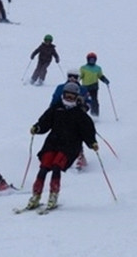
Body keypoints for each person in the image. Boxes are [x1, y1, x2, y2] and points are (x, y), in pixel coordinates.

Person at [23, 82, 98, 211]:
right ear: (63, 95)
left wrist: (92, 143)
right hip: (52, 143)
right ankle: (36, 196)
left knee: (57, 166)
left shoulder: (79, 114)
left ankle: (53, 195)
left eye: (72, 96)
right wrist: (38, 127)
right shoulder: (56, 108)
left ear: (76, 97)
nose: (69, 98)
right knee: (44, 167)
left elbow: (87, 130)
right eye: (67, 95)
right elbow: (45, 121)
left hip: (69, 146)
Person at [50, 69, 91, 170]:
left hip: (77, 116)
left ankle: (79, 157)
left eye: (75, 77)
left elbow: (89, 101)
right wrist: (51, 112)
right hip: (61, 115)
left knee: (77, 136)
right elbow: (54, 100)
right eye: (70, 76)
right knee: (58, 134)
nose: (72, 79)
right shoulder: (60, 88)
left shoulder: (83, 89)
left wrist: (85, 107)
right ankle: (55, 155)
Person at [79, 52, 110, 117]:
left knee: (94, 101)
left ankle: (95, 114)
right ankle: (82, 113)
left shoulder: (98, 68)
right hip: (85, 87)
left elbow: (100, 76)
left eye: (93, 60)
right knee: (83, 100)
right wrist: (76, 80)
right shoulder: (83, 68)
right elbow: (80, 76)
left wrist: (105, 80)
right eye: (90, 60)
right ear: (88, 60)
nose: (92, 61)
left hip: (94, 87)